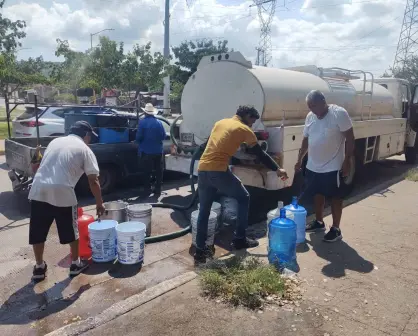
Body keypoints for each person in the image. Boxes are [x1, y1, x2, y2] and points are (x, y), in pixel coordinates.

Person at [195, 105, 288, 264]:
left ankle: (199, 251)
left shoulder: (220, 122)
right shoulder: (244, 129)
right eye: (252, 121)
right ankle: (239, 239)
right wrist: (277, 169)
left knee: (204, 210)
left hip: (203, 169)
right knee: (244, 197)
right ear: (246, 115)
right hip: (218, 171)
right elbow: (260, 154)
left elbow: (209, 144)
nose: (251, 125)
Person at [28, 121, 105, 281]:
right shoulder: (85, 149)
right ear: (86, 135)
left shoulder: (55, 141)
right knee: (71, 230)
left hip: (38, 188)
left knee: (38, 231)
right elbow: (93, 180)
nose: (89, 139)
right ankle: (76, 264)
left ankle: (39, 267)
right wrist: (99, 203)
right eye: (90, 136)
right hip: (62, 190)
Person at [295, 90, 355, 243]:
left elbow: (350, 137)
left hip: (333, 167)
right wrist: (299, 159)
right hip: (313, 166)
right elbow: (305, 139)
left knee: (336, 197)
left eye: (314, 106)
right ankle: (319, 222)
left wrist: (347, 160)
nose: (312, 110)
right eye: (309, 107)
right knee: (317, 194)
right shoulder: (310, 116)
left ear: (323, 101)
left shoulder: (339, 114)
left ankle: (336, 229)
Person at [136, 103, 166, 197]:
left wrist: (138, 141)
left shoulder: (142, 122)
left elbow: (139, 137)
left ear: (145, 113)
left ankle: (147, 190)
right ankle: (158, 190)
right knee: (158, 171)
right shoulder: (159, 123)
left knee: (147, 172)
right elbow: (163, 136)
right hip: (158, 151)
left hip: (146, 151)